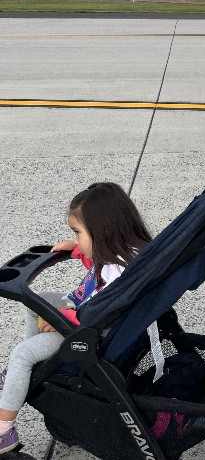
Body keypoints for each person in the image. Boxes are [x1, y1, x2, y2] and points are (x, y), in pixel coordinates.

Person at [0, 182, 151, 455]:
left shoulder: (118, 271)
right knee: (39, 301)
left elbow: (103, 311)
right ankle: (32, 368)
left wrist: (63, 318)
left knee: (22, 355)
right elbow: (97, 271)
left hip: (86, 333)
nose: (76, 238)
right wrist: (76, 248)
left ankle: (4, 429)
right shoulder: (127, 253)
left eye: (78, 233)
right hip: (84, 316)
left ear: (103, 232)